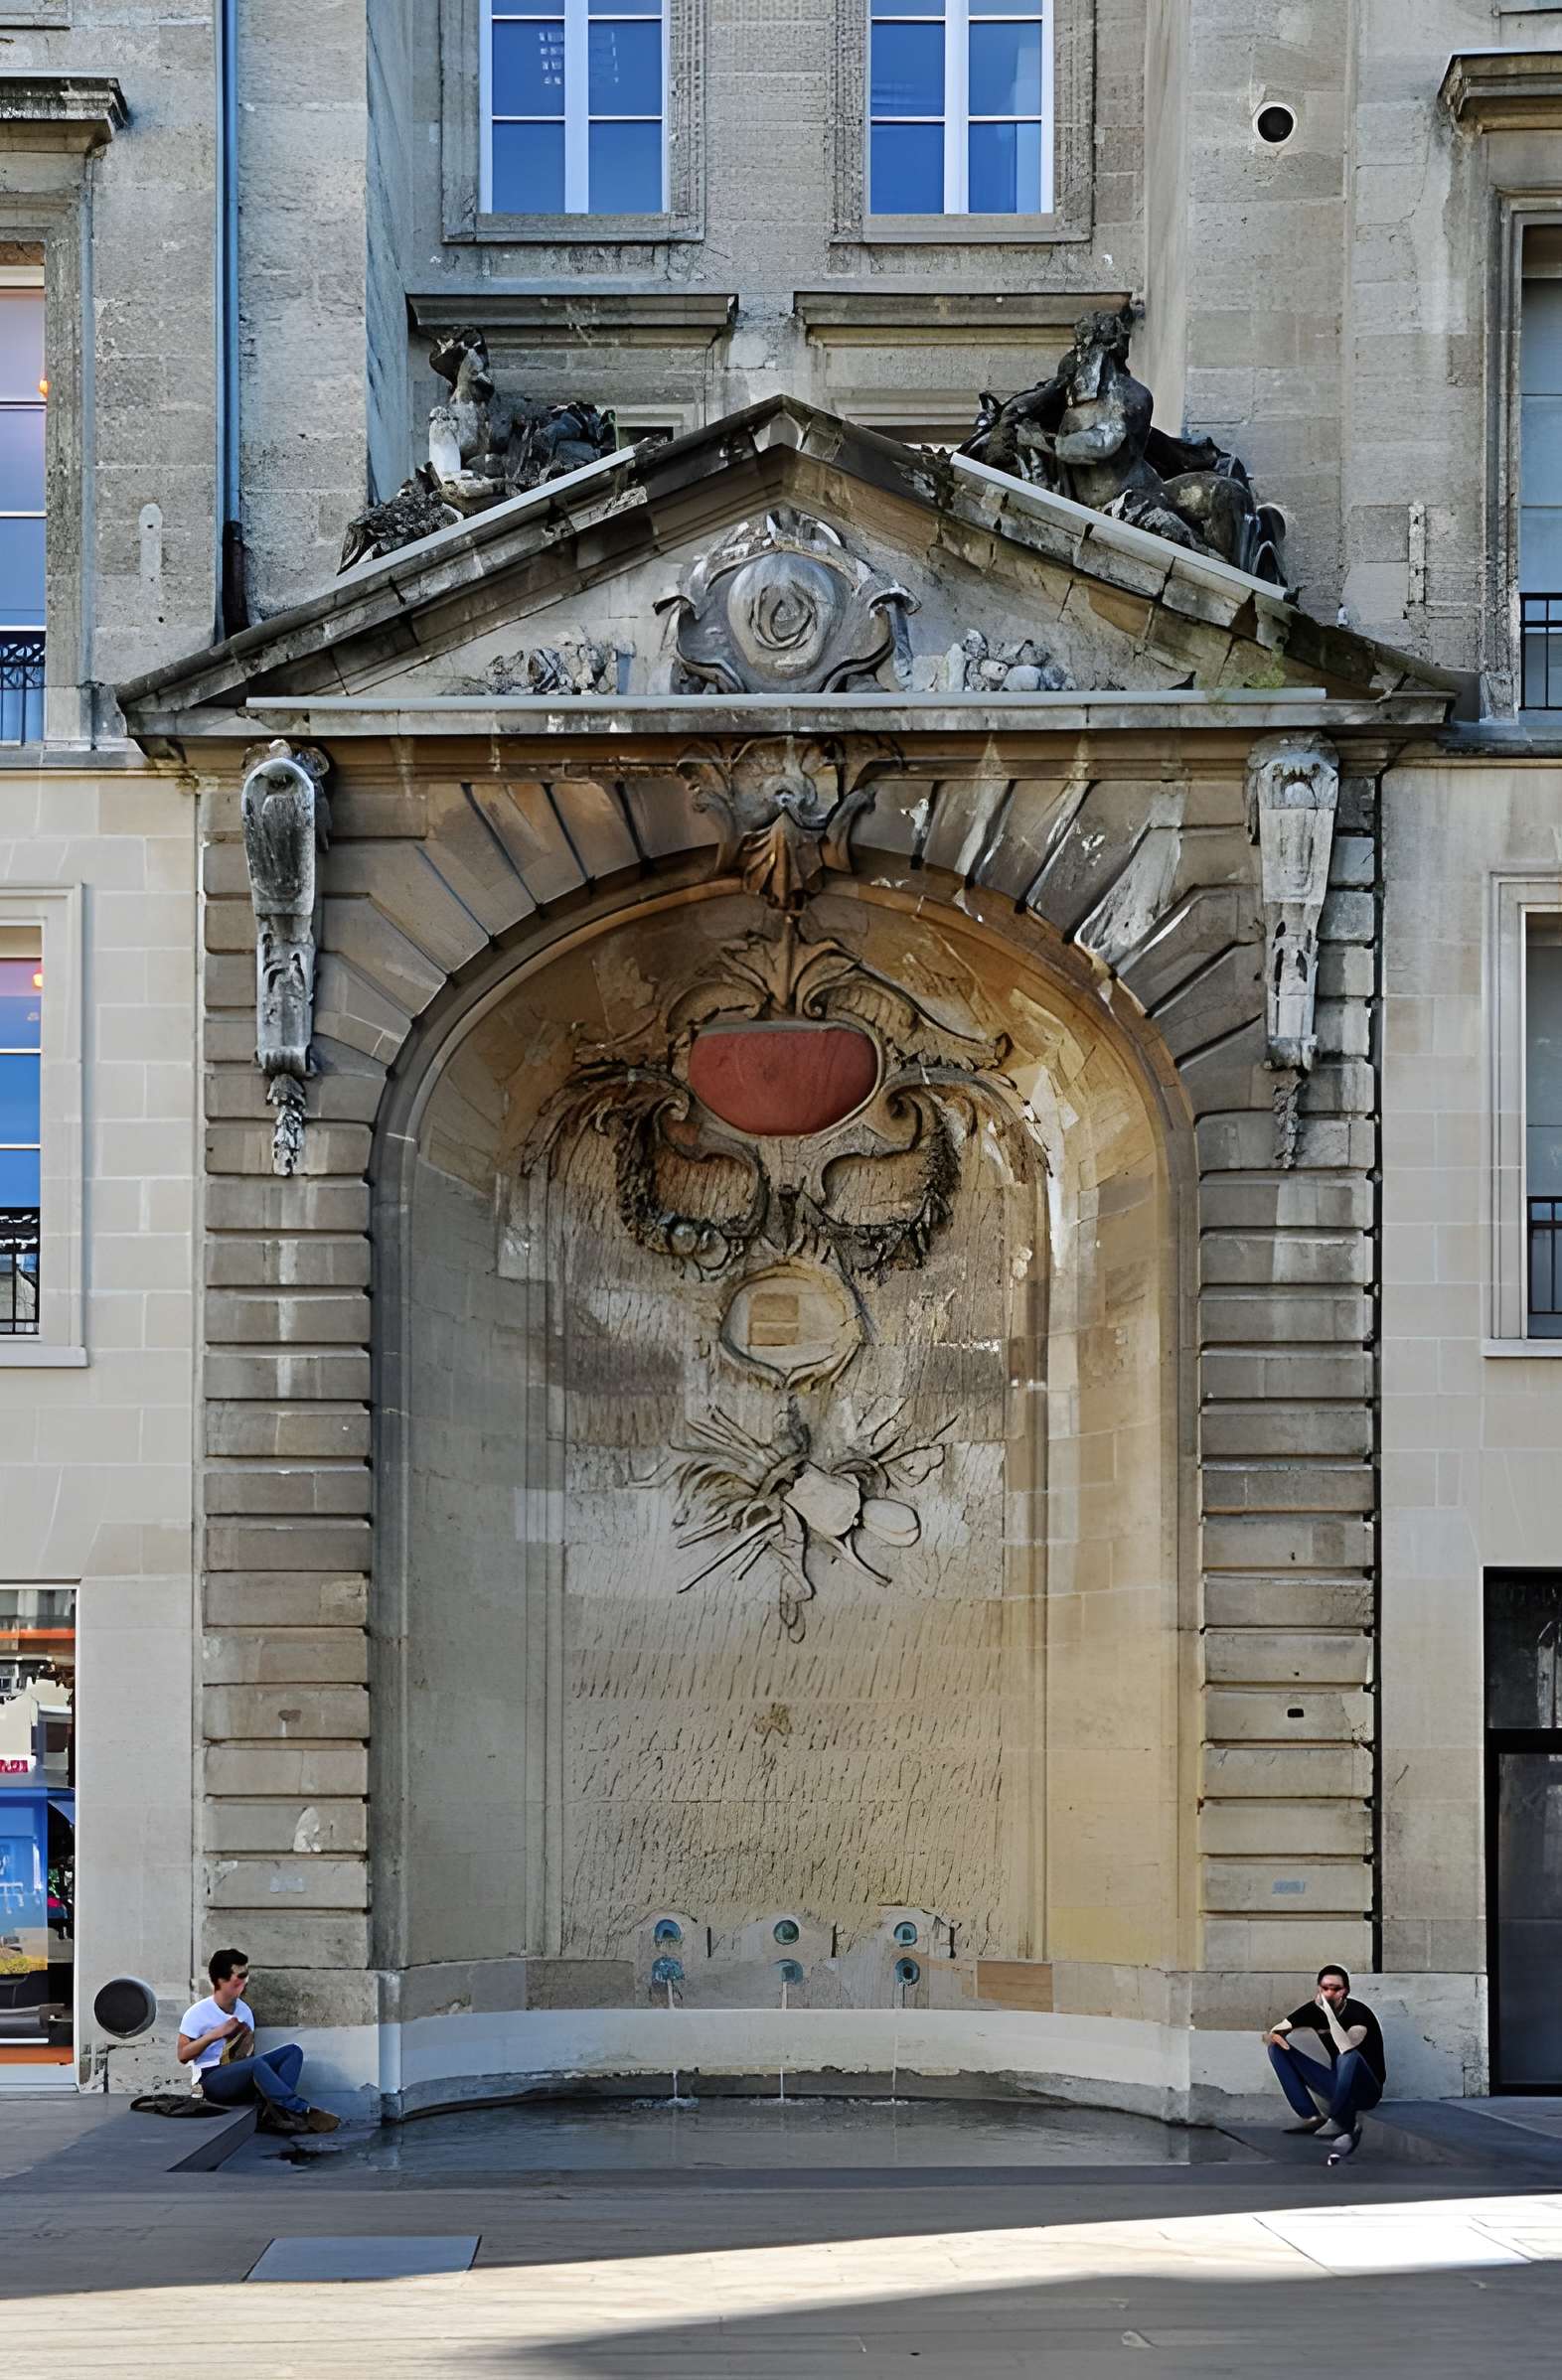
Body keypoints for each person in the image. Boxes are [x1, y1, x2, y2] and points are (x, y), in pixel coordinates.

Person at [177, 1948, 339, 2134]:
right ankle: (300, 2109)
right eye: (241, 1976)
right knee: (257, 2064)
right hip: (210, 2081)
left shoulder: (244, 2011)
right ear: (221, 1980)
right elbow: (182, 2055)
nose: (246, 1981)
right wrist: (215, 2034)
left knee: (293, 2052)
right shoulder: (198, 2013)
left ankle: (275, 2113)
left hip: (239, 2074)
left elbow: (247, 2057)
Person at [1262, 1964, 1386, 2165]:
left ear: (1346, 1991)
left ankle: (1337, 2119)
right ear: (1319, 1989)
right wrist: (1277, 2036)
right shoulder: (1312, 2009)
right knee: (1276, 2050)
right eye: (1325, 1988)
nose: (1330, 1993)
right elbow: (1272, 2033)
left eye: (1336, 1988)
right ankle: (1311, 2117)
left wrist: (1329, 2014)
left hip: (1366, 2090)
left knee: (1346, 2057)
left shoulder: (1358, 2013)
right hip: (1337, 2084)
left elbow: (1346, 2047)